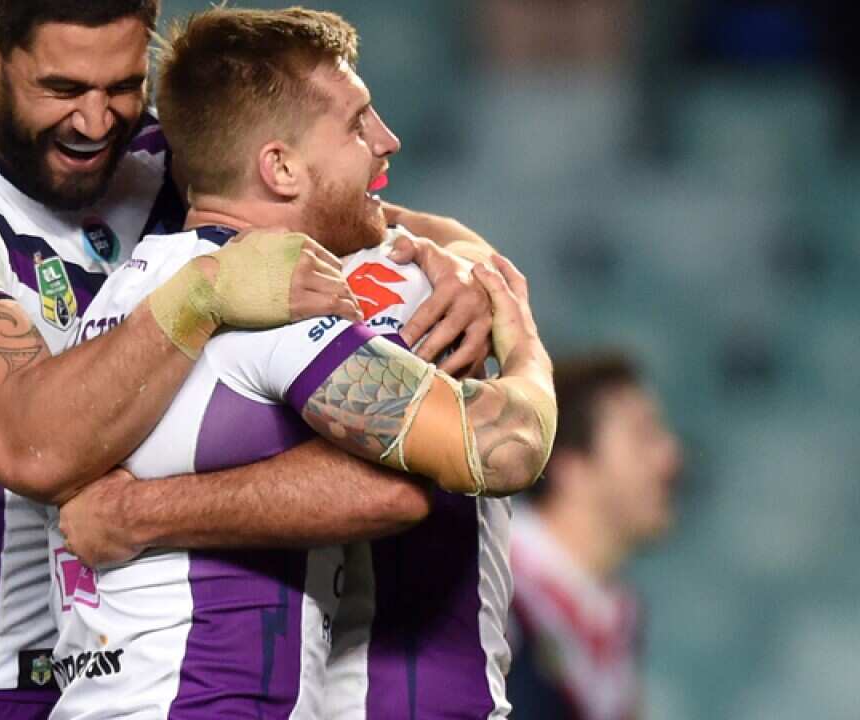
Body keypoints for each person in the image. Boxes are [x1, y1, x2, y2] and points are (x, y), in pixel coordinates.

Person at [0, 2, 502, 718]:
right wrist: (203, 294)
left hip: (115, 675)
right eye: (63, 88)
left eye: (123, 87)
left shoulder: (151, 158)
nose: (94, 122)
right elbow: (34, 449)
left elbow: (343, 205)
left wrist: (464, 269)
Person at [42, 8, 556, 718]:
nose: (387, 140)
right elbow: (482, 454)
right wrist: (522, 338)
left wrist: (141, 511)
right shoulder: (277, 298)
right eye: (357, 124)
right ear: (279, 167)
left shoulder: (113, 302)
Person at [507, 352, 682, 720]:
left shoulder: (616, 627)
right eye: (643, 436)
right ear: (569, 466)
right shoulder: (485, 587)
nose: (670, 457)